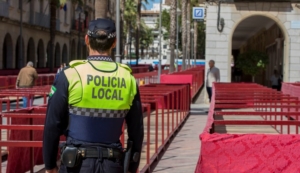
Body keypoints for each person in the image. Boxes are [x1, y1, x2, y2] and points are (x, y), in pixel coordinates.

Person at [43, 18, 144, 173]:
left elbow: (52, 124)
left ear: (87, 40)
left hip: (76, 165)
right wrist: (132, 166)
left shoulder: (70, 74)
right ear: (114, 42)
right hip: (113, 164)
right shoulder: (128, 78)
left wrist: (50, 165)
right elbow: (136, 129)